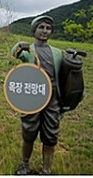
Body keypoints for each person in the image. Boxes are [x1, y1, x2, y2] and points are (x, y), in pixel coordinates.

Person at [11, 14, 67, 175]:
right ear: (34, 30)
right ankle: (24, 164)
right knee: (29, 129)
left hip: (53, 96)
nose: (45, 31)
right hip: (33, 95)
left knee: (51, 133)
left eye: (48, 28)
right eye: (41, 27)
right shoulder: (28, 50)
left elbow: (65, 74)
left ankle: (47, 169)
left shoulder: (57, 53)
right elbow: (14, 52)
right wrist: (19, 45)